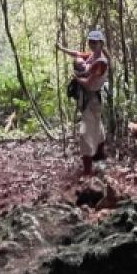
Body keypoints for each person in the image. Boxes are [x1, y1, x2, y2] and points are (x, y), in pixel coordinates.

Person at [56, 30, 110, 176]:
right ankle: (100, 155)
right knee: (96, 125)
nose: (92, 44)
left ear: (101, 43)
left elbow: (88, 83)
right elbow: (77, 54)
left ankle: (88, 170)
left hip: (92, 99)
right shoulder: (93, 56)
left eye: (95, 42)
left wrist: (76, 77)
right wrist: (61, 48)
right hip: (90, 99)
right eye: (90, 42)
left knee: (84, 132)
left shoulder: (101, 62)